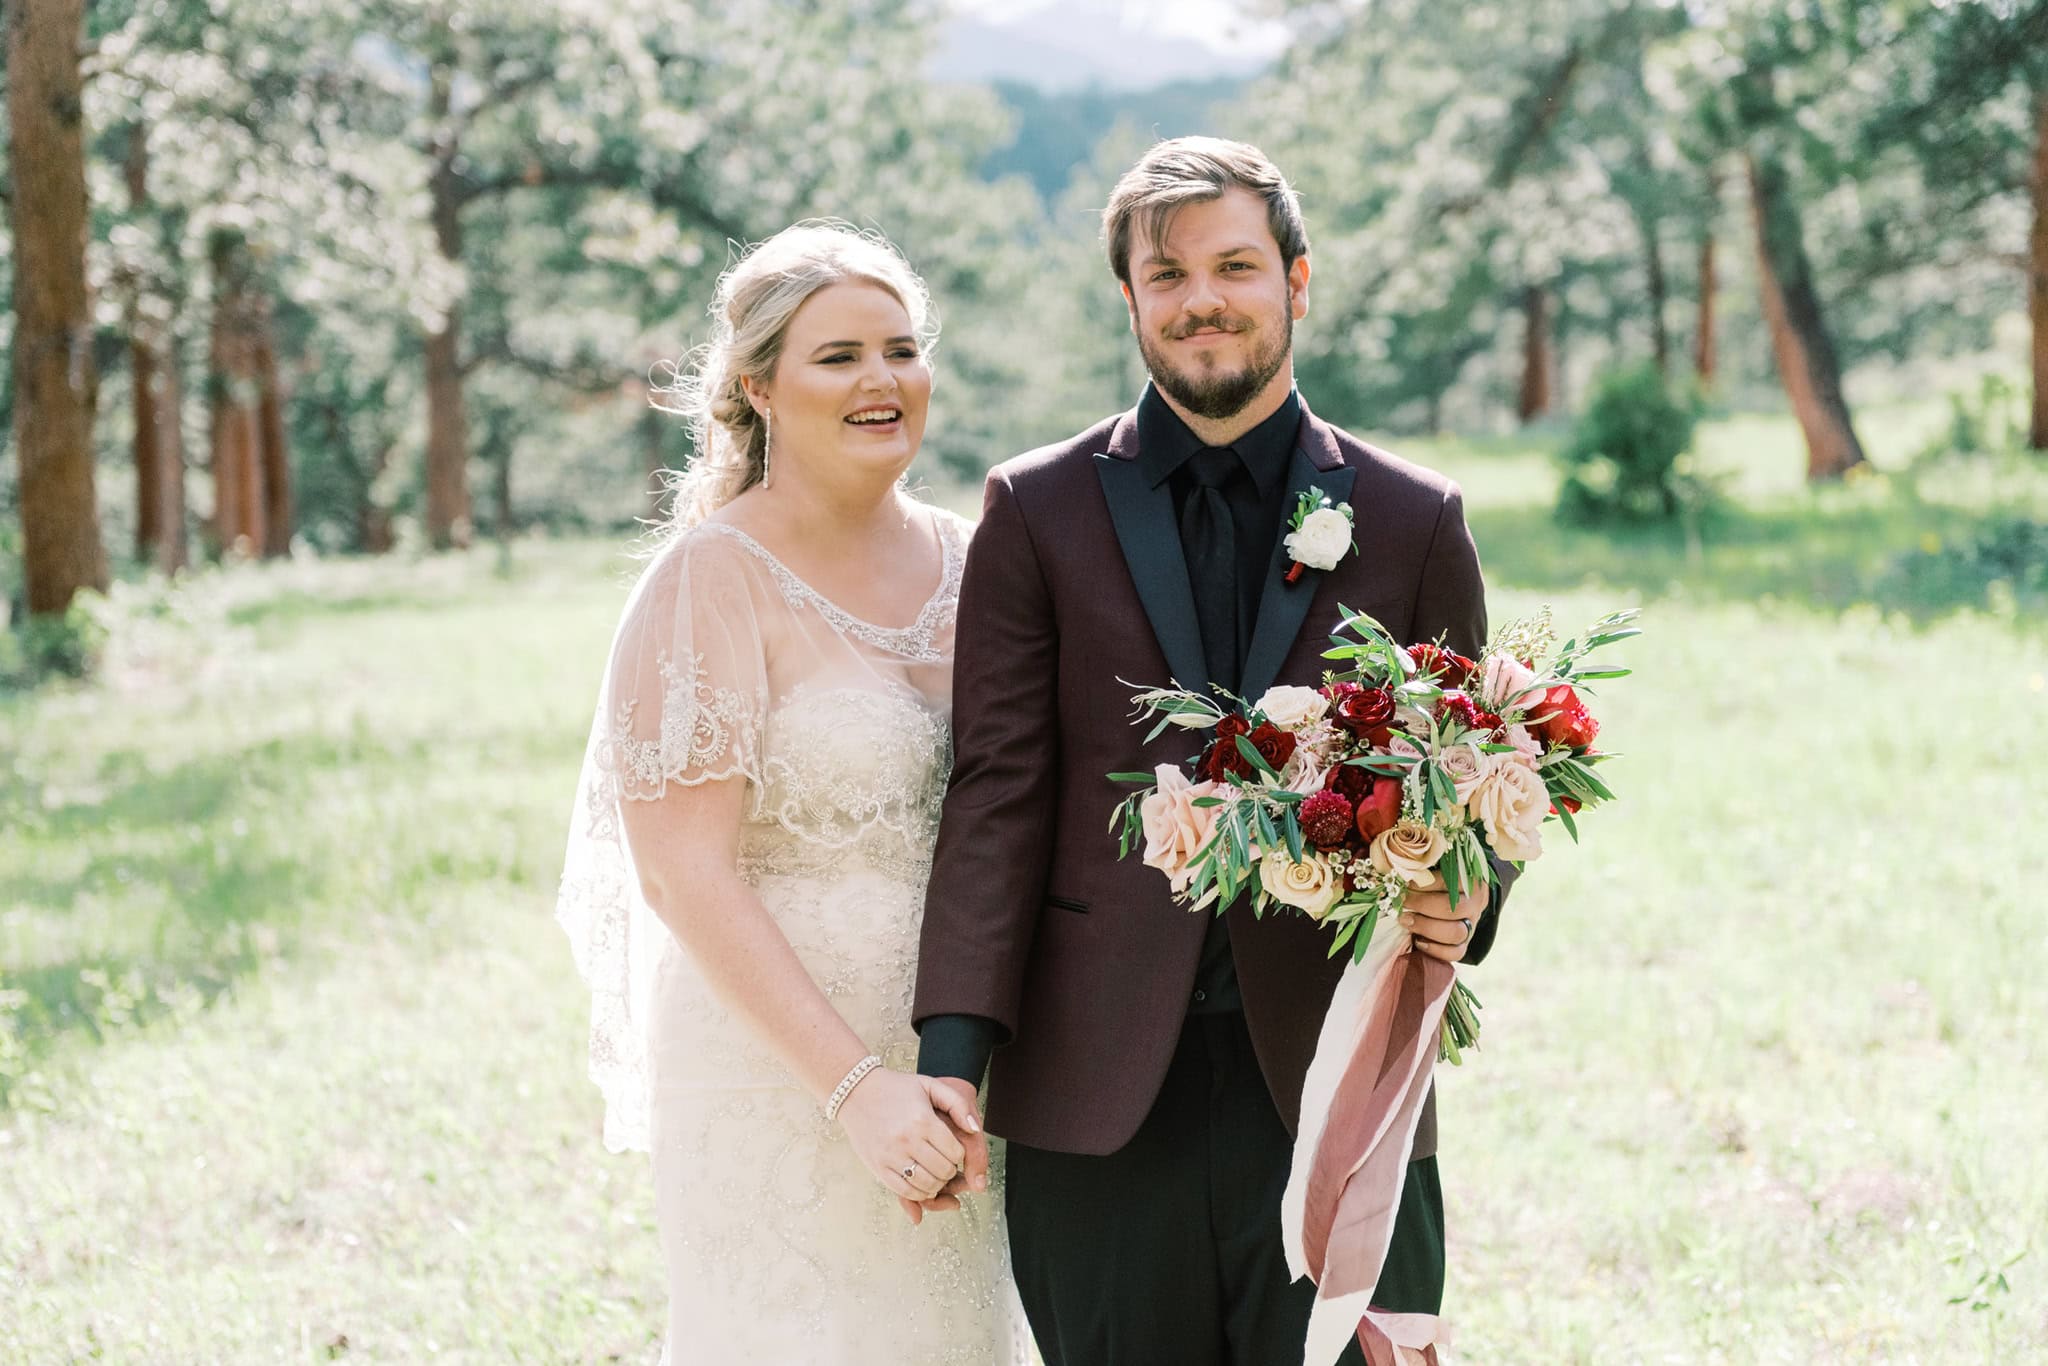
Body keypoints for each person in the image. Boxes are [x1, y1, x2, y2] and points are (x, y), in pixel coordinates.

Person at [913, 137, 1516, 1365]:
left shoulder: (1411, 520)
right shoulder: (1034, 509)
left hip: (1336, 1078)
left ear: (1298, 280)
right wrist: (951, 1060)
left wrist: (1470, 893)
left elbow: (1469, 786)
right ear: (1129, 297)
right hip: (1093, 1092)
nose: (1202, 299)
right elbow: (998, 792)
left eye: (1235, 264)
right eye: (1167, 273)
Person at [556, 220, 1028, 1364]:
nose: (882, 379)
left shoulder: (983, 560)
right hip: (776, 1073)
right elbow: (680, 872)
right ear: (757, 386)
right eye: (838, 356)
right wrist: (857, 1090)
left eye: (901, 348)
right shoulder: (709, 580)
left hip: (964, 1077)